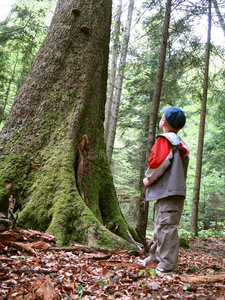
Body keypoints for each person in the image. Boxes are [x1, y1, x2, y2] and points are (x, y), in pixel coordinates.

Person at [137, 107, 189, 276]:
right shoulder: (178, 142)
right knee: (160, 227)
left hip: (170, 192)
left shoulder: (166, 140)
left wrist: (149, 178)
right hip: (169, 192)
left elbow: (157, 161)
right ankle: (154, 259)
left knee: (166, 228)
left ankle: (167, 267)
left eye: (161, 117)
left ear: (164, 121)